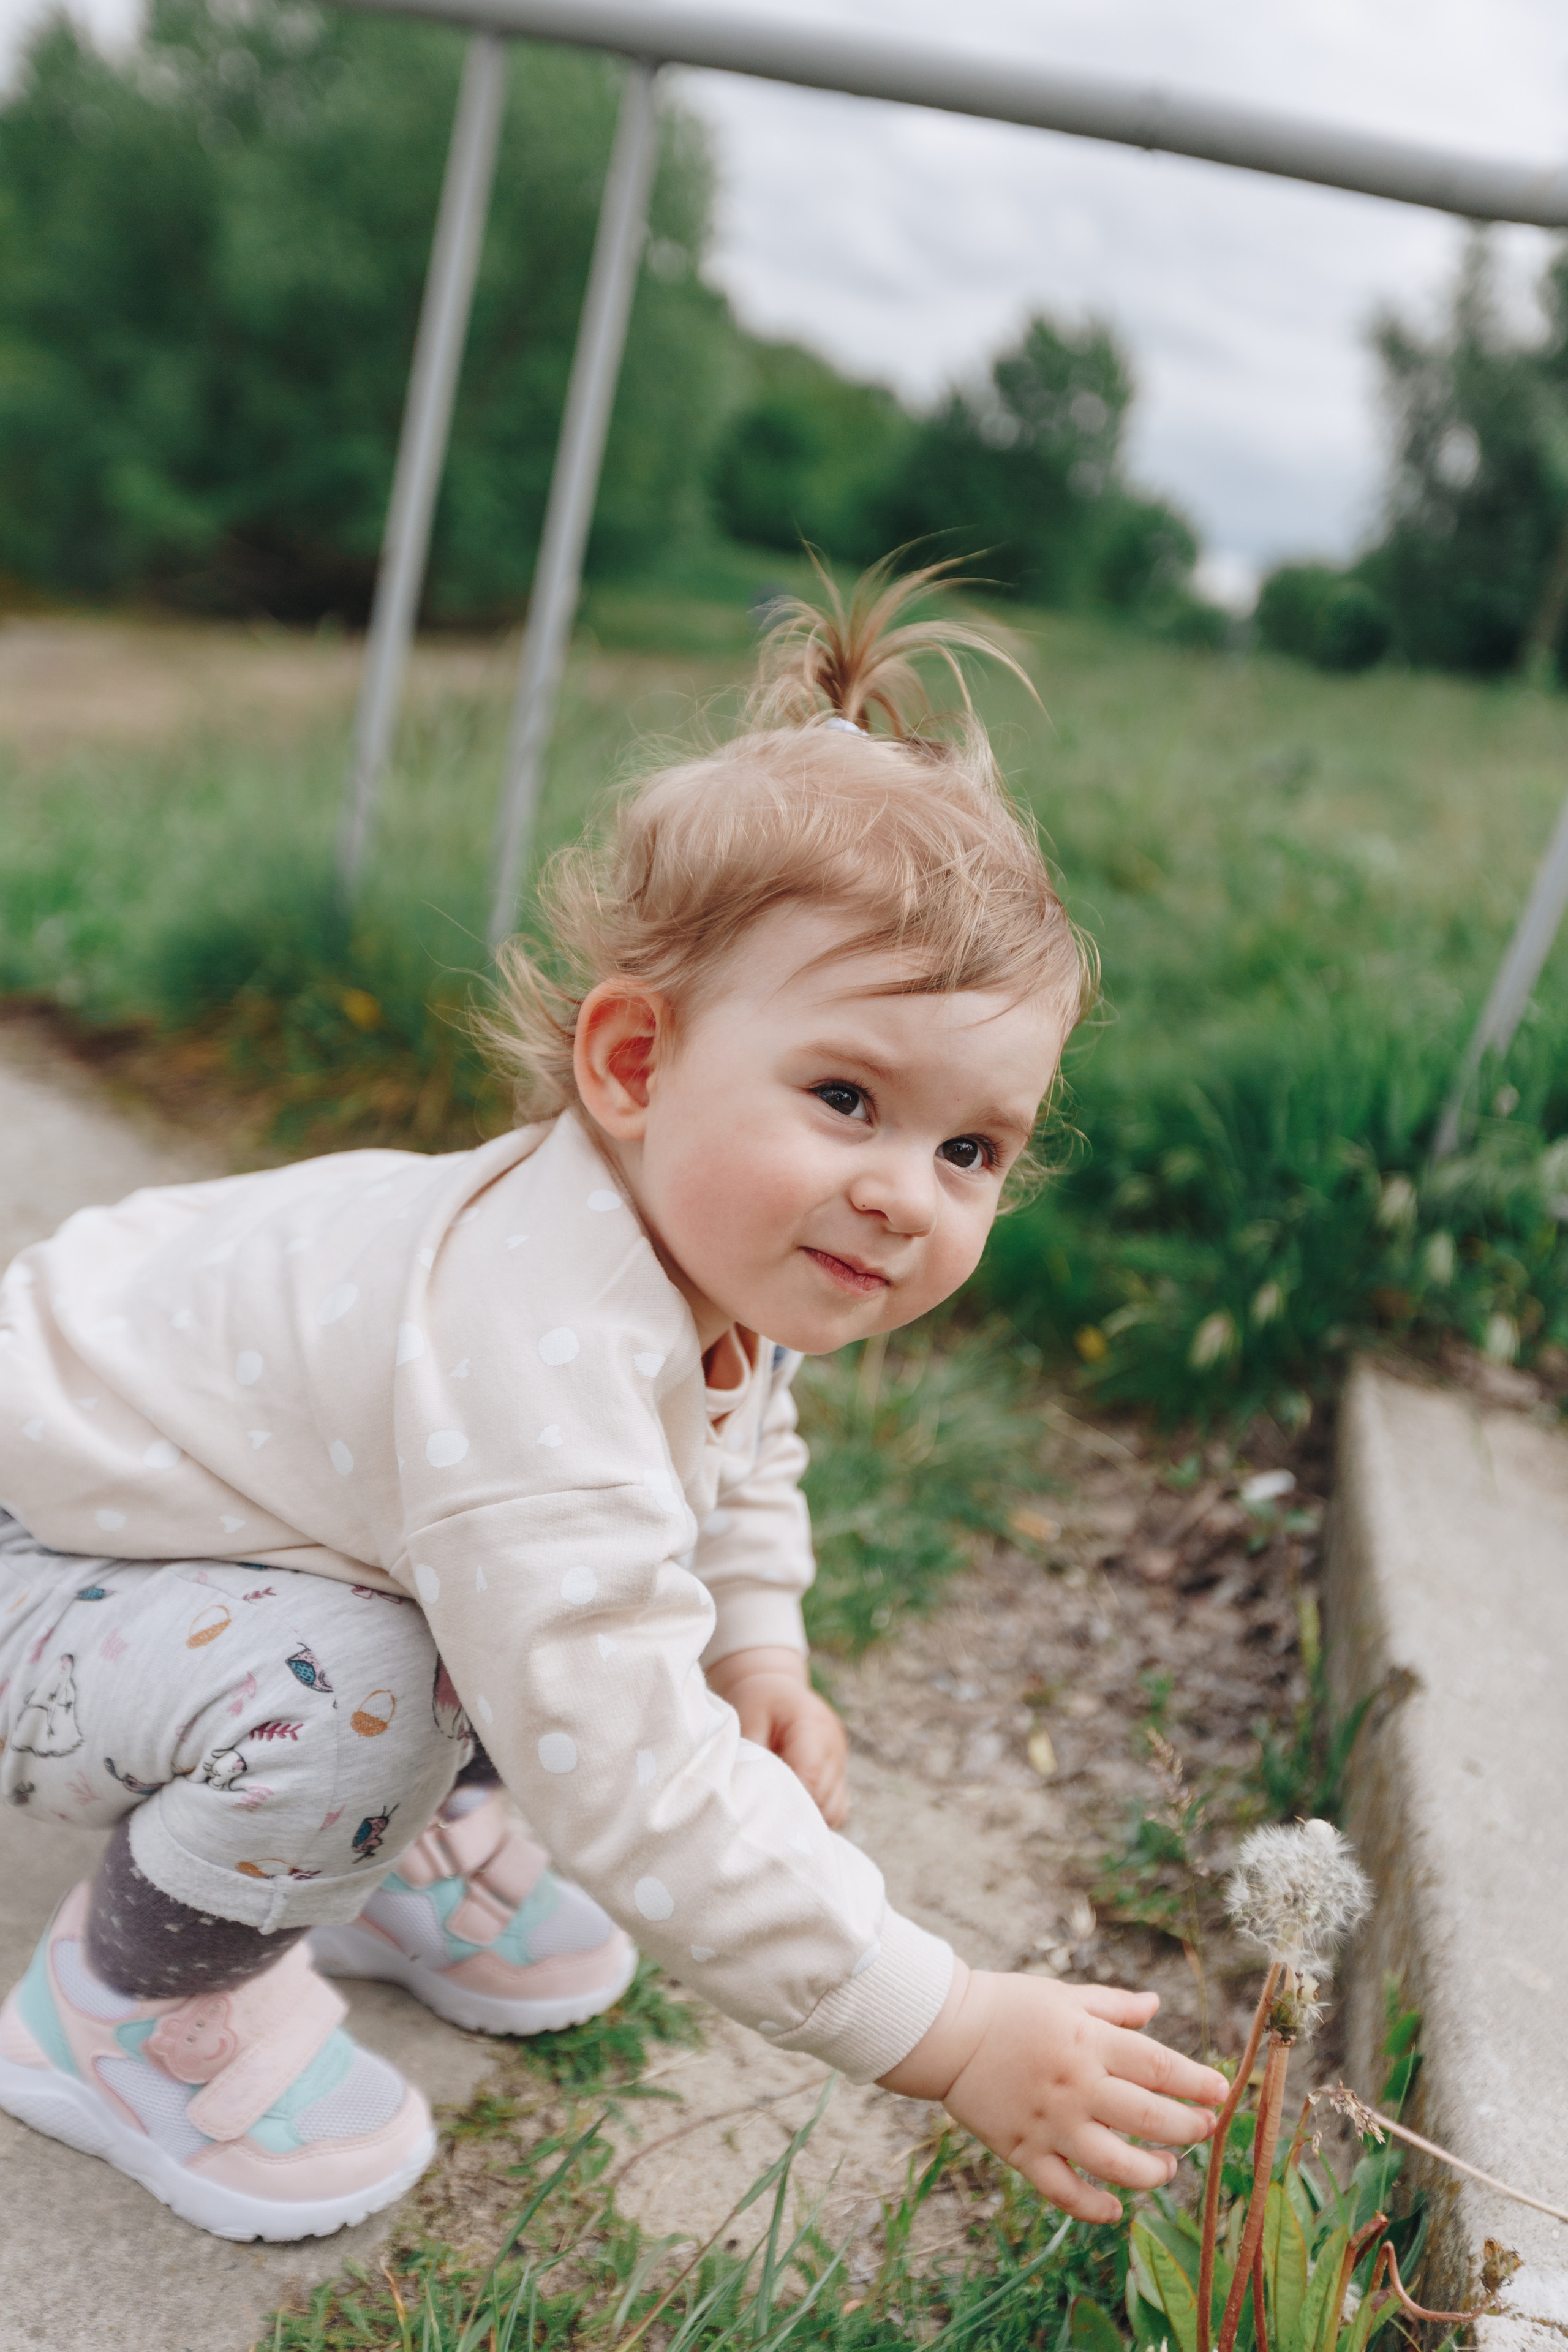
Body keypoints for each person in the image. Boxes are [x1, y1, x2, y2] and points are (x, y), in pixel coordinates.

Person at [0, 560, 1226, 2244]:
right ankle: (129, 2007)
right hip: (39, 1539)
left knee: (510, 1603)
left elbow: (744, 1451)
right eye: (848, 1095)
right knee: (368, 1682)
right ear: (634, 1064)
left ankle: (399, 1853)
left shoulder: (721, 1260)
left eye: (971, 1148)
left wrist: (758, 1650)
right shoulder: (540, 1346)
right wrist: (942, 2028)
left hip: (167, 1503)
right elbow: (631, 1767)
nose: (905, 1191)